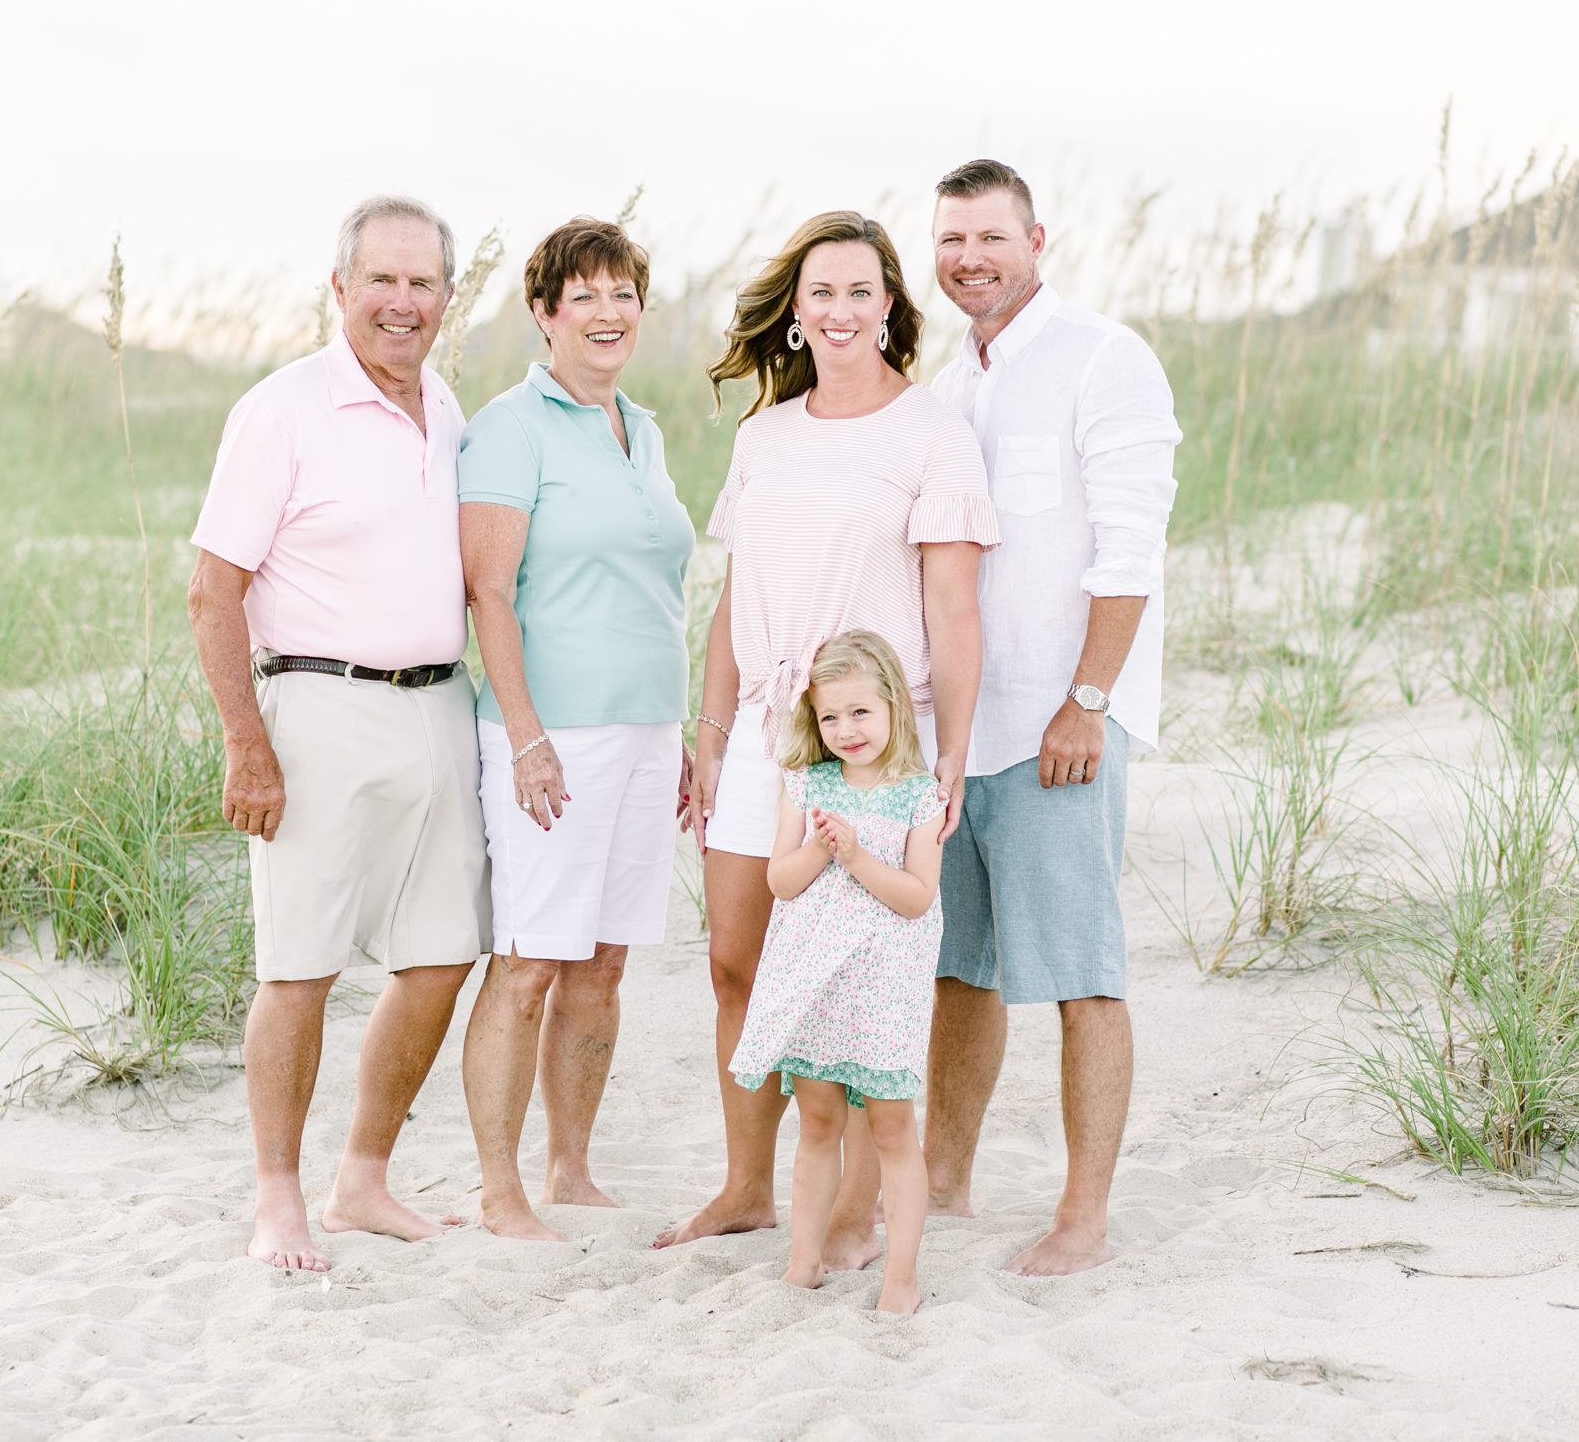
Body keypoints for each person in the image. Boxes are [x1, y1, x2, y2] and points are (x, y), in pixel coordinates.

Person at [659, 210, 997, 1257]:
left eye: (861, 291)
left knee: (851, 970)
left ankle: (853, 1206)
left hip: (870, 742)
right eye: (822, 293)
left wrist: (947, 761)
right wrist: (710, 727)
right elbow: (733, 596)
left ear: (891, 306)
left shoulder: (931, 431)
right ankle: (747, 1188)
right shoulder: (764, 434)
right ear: (796, 314)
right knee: (736, 959)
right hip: (769, 728)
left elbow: (953, 607)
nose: (841, 310)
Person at [186, 194, 491, 1273]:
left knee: (446, 953)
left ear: (447, 300)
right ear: (340, 288)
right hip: (318, 708)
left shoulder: (448, 409)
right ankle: (278, 1198)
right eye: (382, 281)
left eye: (422, 285)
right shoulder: (282, 411)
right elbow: (212, 592)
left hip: (441, 708)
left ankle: (363, 1178)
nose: (402, 304)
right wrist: (246, 745)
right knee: (299, 965)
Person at [921, 159, 1184, 1276]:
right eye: (951, 241)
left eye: (990, 237)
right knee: (960, 969)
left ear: (1038, 239)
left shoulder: (1102, 358)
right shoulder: (944, 382)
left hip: (1057, 726)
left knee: (1082, 971)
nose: (969, 258)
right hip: (961, 733)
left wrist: (1089, 702)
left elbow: (1131, 547)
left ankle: (1084, 1218)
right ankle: (942, 1182)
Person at [456, 218, 696, 1240]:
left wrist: (677, 730)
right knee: (530, 963)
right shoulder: (512, 426)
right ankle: (499, 1189)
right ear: (545, 313)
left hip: (644, 731)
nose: (607, 314)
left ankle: (570, 1167)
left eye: (623, 295)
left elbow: (656, 591)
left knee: (604, 964)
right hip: (554, 735)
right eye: (584, 296)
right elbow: (489, 592)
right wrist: (525, 734)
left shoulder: (640, 427)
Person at [730, 631, 947, 1315]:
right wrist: (823, 852)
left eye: (861, 713)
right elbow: (781, 880)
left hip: (883, 981)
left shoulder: (920, 793)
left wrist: (854, 856)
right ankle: (804, 1261)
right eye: (830, 717)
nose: (846, 730)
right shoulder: (809, 782)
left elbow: (915, 897)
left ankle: (901, 1276)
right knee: (817, 1120)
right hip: (815, 976)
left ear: (893, 709)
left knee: (890, 1125)